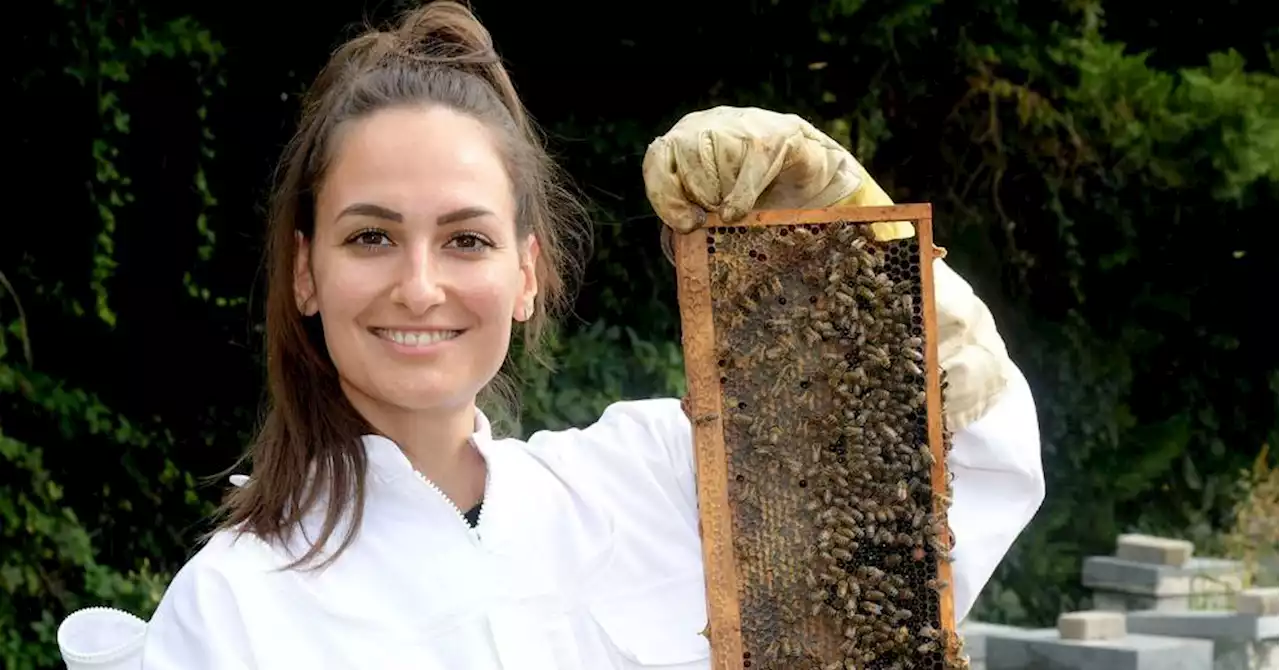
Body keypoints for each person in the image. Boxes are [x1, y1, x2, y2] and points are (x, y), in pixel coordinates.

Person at [56, 2, 1045, 669]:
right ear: (306, 270)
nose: (419, 284)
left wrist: (846, 275)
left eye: (466, 238)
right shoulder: (231, 610)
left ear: (526, 274)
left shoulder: (656, 477)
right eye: (370, 236)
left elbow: (939, 494)